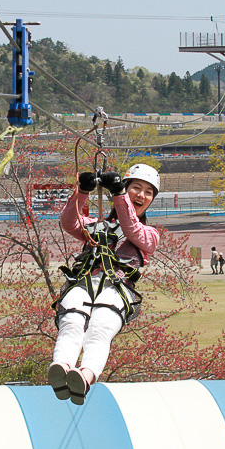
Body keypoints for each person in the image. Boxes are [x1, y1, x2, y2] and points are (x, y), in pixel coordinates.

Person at [48, 164, 161, 406]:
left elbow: (131, 228)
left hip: (117, 289)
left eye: (148, 192)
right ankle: (61, 365)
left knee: (100, 328)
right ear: (127, 189)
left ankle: (85, 376)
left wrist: (119, 193)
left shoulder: (150, 234)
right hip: (84, 281)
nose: (141, 195)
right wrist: (82, 192)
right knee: (72, 321)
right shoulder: (98, 226)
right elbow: (69, 223)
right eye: (136, 188)